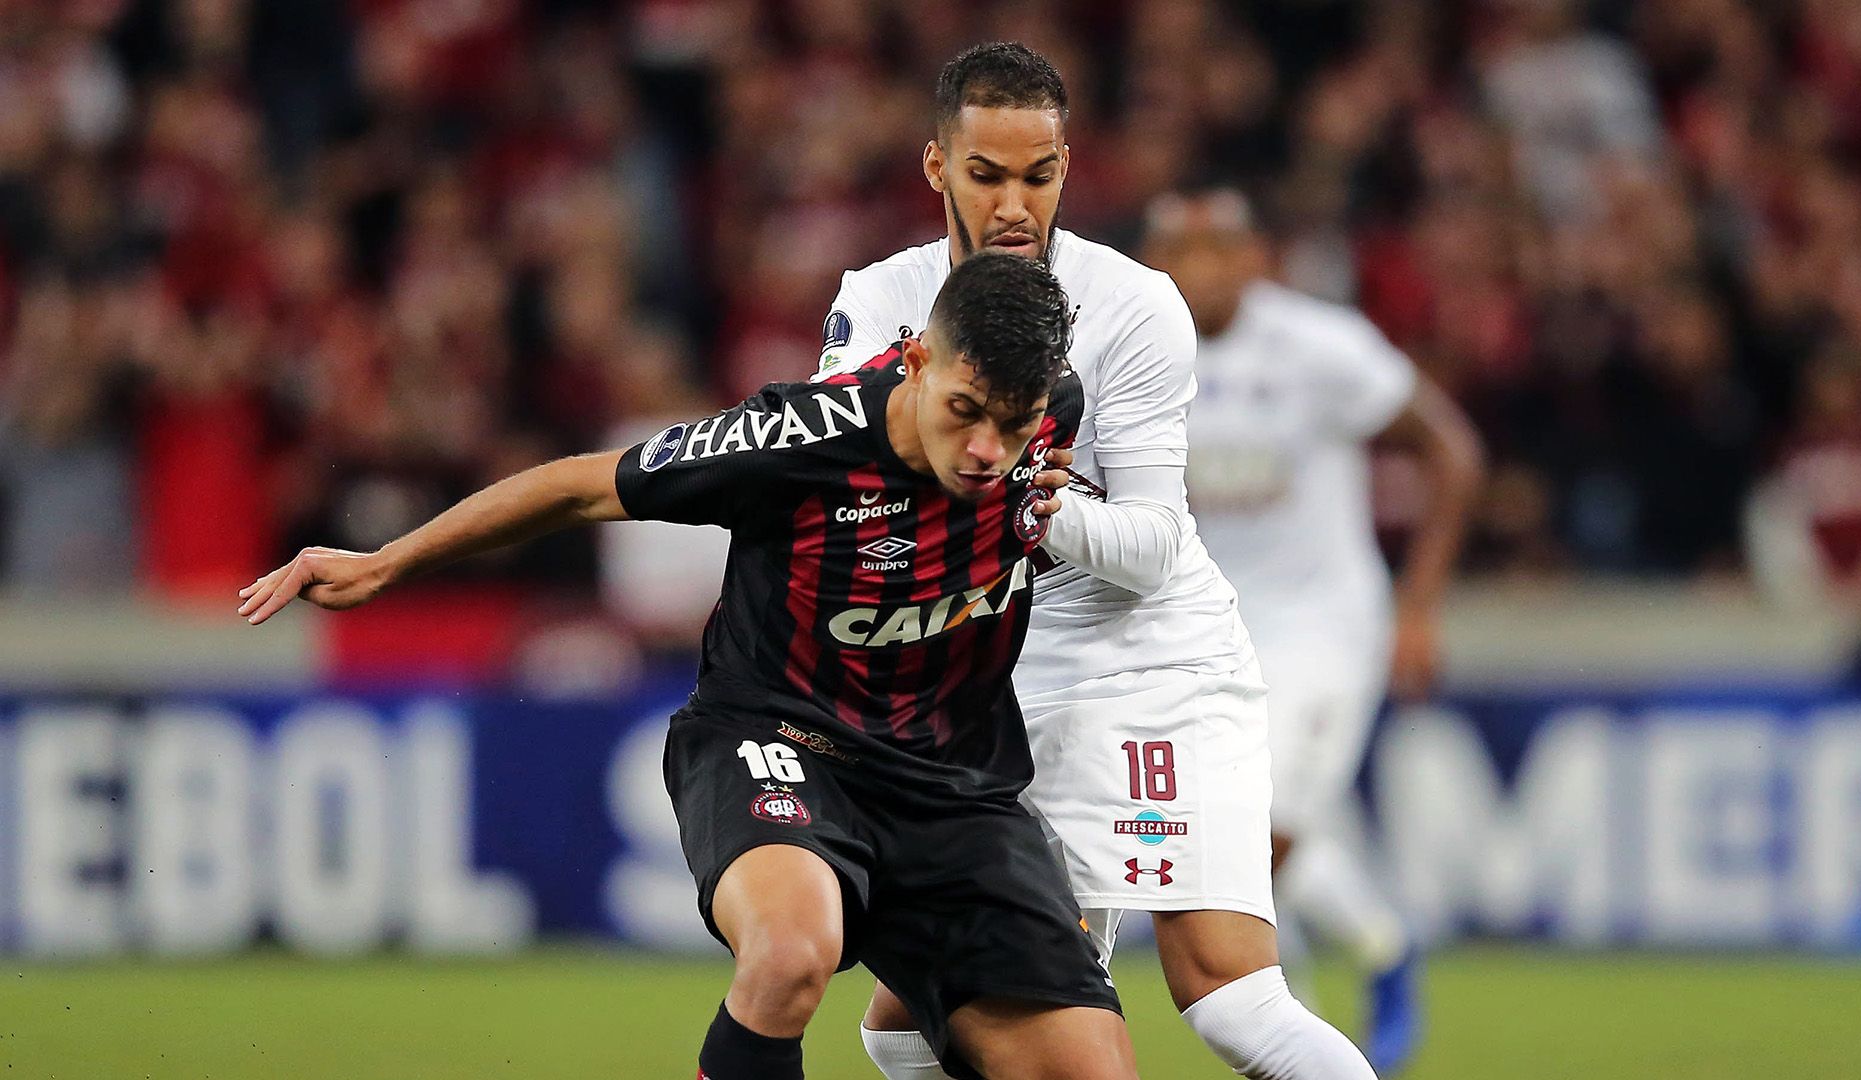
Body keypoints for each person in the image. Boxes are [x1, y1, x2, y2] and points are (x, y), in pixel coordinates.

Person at [239, 254, 1142, 1080]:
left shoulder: (1051, 413)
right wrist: (386, 562)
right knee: (791, 954)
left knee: (1091, 1073)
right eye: (964, 412)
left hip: (954, 786)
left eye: (1012, 425)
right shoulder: (796, 438)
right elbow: (582, 485)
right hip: (782, 739)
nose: (988, 450)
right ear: (914, 362)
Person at [821, 43, 1378, 1080]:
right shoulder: (875, 304)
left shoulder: (1132, 305)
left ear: (1067, 164)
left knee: (1230, 992)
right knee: (906, 1020)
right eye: (987, 176)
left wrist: (1036, 507)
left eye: (1040, 174)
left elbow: (1155, 547)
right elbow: (842, 496)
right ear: (937, 167)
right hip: (992, 681)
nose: (1015, 203)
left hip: (1147, 665)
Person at [1143, 188, 1487, 1075]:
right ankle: (1376, 949)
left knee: (1257, 836)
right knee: (1212, 832)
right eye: (1184, 250)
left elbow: (1450, 450)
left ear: (1257, 259)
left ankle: (1297, 1027)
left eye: (1222, 249)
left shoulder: (1320, 348)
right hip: (1206, 630)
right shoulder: (1133, 354)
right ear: (1154, 261)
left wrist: (1419, 606)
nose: (1204, 268)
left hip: (1322, 626)